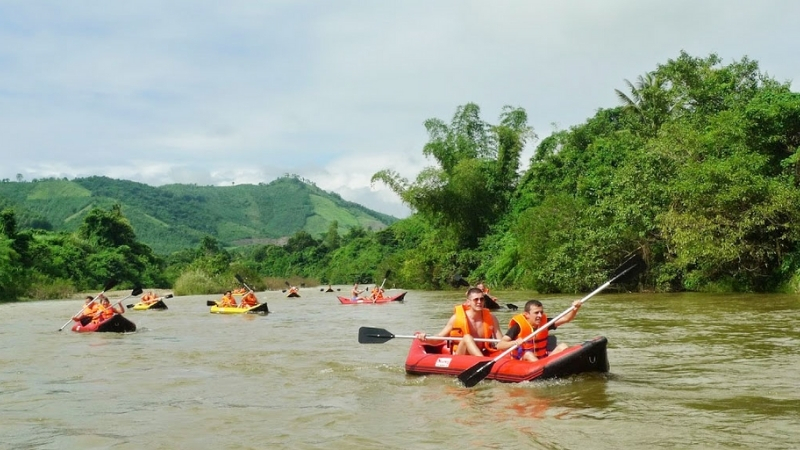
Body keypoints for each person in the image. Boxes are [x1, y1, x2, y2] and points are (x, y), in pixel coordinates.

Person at [415, 287, 503, 356]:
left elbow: (501, 341)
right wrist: (426, 339)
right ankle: (483, 361)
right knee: (467, 338)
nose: (479, 302)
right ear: (468, 302)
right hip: (461, 355)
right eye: (476, 299)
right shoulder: (456, 318)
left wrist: (511, 343)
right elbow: (439, 338)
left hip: (482, 352)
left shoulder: (492, 318)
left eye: (482, 299)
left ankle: (482, 360)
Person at [495, 299, 582, 361]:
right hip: (523, 360)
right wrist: (515, 342)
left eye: (541, 312)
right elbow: (500, 345)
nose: (540, 315)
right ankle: (542, 371)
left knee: (563, 346)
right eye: (536, 313)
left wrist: (575, 309)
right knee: (529, 354)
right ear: (527, 314)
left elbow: (566, 319)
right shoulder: (517, 327)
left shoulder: (545, 323)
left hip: (542, 360)